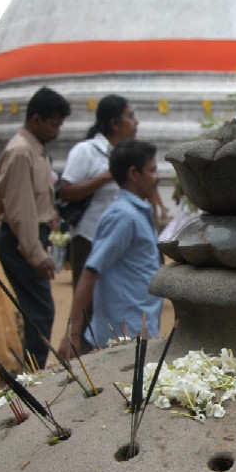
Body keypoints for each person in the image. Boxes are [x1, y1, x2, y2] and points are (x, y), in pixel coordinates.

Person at [58, 139, 163, 357]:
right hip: (123, 333)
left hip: (139, 327)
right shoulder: (123, 216)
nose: (157, 177)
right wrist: (73, 333)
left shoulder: (136, 212)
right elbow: (89, 273)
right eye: (152, 171)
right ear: (134, 174)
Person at [0, 86, 71, 368]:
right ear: (36, 119)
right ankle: (31, 374)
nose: (57, 132)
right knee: (41, 311)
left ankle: (29, 370)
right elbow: (20, 211)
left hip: (32, 236)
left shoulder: (35, 150)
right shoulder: (21, 152)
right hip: (22, 239)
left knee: (34, 310)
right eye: (54, 124)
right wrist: (36, 253)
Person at [60, 95, 138, 289]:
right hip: (89, 238)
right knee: (88, 305)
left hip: (119, 240)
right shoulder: (86, 151)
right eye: (130, 116)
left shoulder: (125, 155)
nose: (136, 123)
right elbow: (66, 192)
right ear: (114, 123)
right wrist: (105, 177)